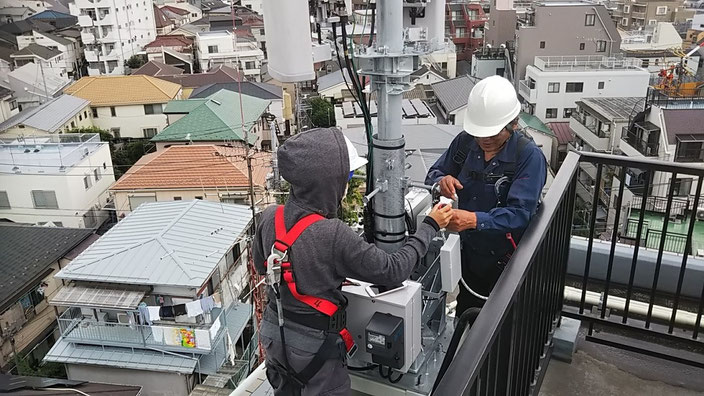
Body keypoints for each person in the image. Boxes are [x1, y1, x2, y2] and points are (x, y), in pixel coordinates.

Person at [253, 127, 453, 396]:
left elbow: (260, 265)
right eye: (345, 177)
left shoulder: (270, 217)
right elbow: (394, 270)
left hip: (274, 336)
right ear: (328, 181)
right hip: (315, 348)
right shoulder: (332, 234)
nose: (347, 184)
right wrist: (429, 226)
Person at [425, 75, 547, 317]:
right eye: (480, 133)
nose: (485, 140)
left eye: (493, 133)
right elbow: (434, 174)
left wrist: (474, 220)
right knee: (467, 313)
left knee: (502, 323)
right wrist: (442, 182)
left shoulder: (528, 157)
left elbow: (521, 213)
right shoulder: (465, 143)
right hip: (468, 256)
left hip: (506, 261)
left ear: (513, 124)